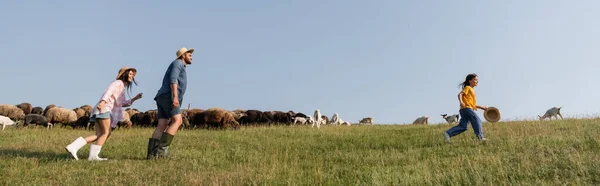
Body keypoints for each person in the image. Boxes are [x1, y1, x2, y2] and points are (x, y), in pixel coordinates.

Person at [65, 67, 143, 160]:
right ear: (124, 74)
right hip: (105, 108)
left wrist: (134, 98)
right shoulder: (118, 83)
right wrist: (102, 102)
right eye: (130, 74)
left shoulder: (122, 87)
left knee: (99, 135)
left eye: (133, 75)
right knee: (106, 133)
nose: (132, 76)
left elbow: (121, 103)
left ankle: (74, 147)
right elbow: (108, 91)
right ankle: (92, 156)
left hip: (102, 109)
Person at [147, 47, 193, 159]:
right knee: (178, 121)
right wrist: (175, 97)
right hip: (169, 96)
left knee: (162, 124)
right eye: (189, 54)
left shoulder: (179, 65)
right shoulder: (178, 63)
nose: (191, 56)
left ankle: (152, 154)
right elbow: (173, 79)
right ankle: (161, 153)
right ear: (183, 55)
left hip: (162, 96)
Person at [443, 73, 488, 142]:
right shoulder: (468, 88)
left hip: (464, 109)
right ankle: (480, 137)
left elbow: (472, 104)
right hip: (467, 109)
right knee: (477, 120)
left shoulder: (472, 90)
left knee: (464, 126)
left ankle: (448, 133)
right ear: (470, 81)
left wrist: (482, 107)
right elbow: (460, 94)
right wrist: (461, 102)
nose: (477, 81)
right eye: (475, 79)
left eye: (477, 80)